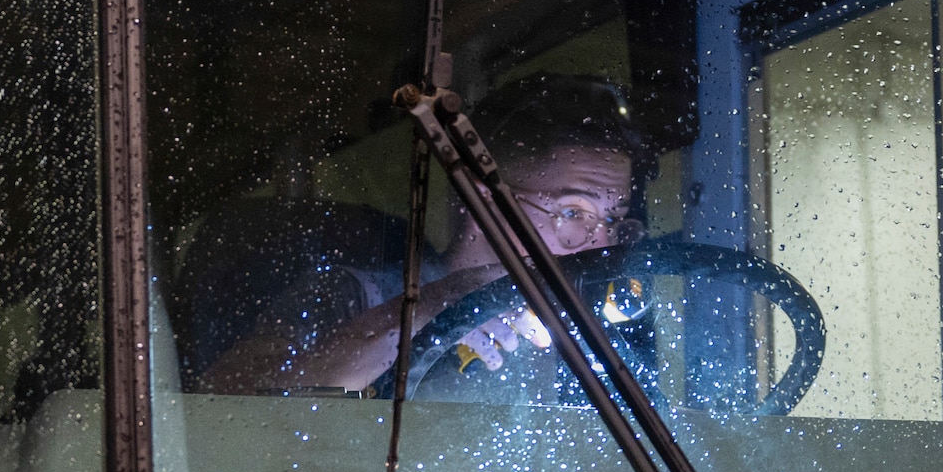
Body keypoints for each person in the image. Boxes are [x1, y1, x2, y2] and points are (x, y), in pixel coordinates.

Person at [190, 73, 653, 399]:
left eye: (614, 221)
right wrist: (434, 306)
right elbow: (223, 404)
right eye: (575, 212)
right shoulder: (355, 295)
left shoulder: (582, 339)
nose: (602, 247)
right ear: (484, 201)